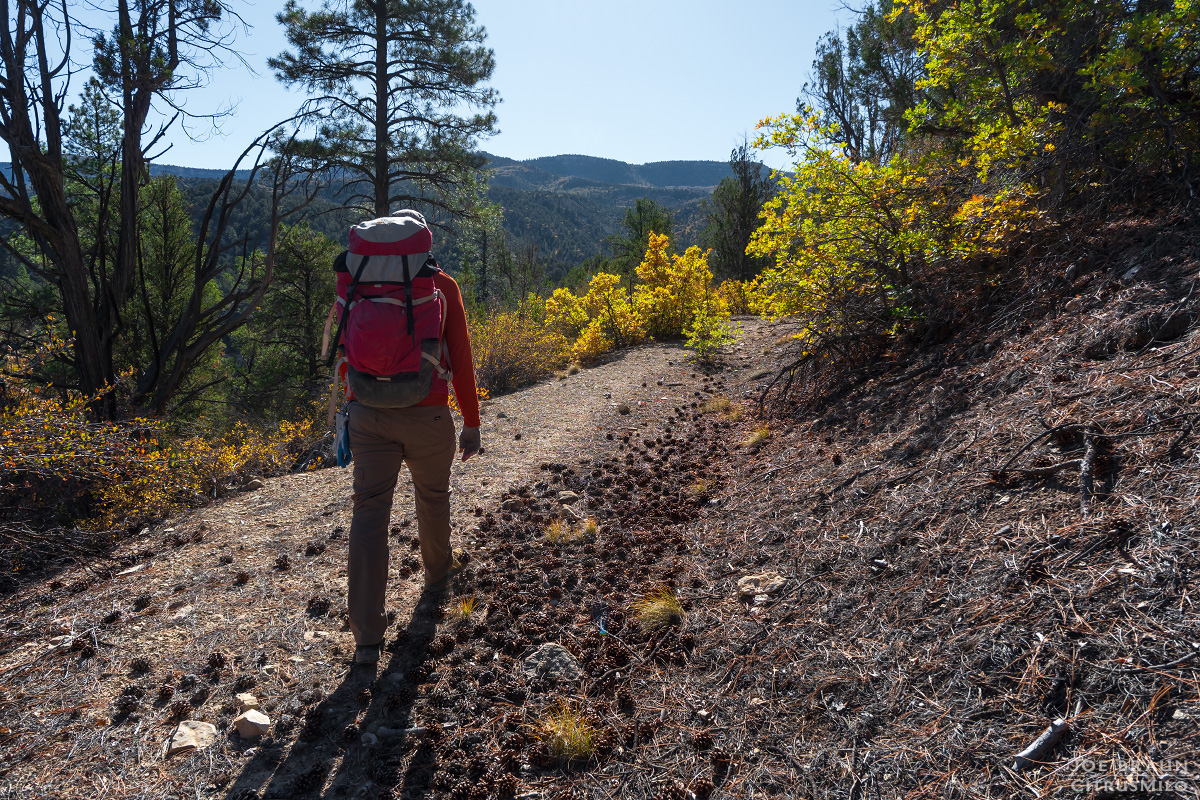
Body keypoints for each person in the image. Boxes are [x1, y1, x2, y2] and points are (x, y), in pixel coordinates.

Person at [338, 221, 482, 666]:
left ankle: (366, 635)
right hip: (428, 411)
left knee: (369, 514)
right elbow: (460, 358)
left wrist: (353, 403)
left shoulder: (355, 280)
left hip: (367, 413)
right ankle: (437, 581)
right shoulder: (440, 285)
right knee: (433, 497)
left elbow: (347, 346)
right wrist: (471, 422)